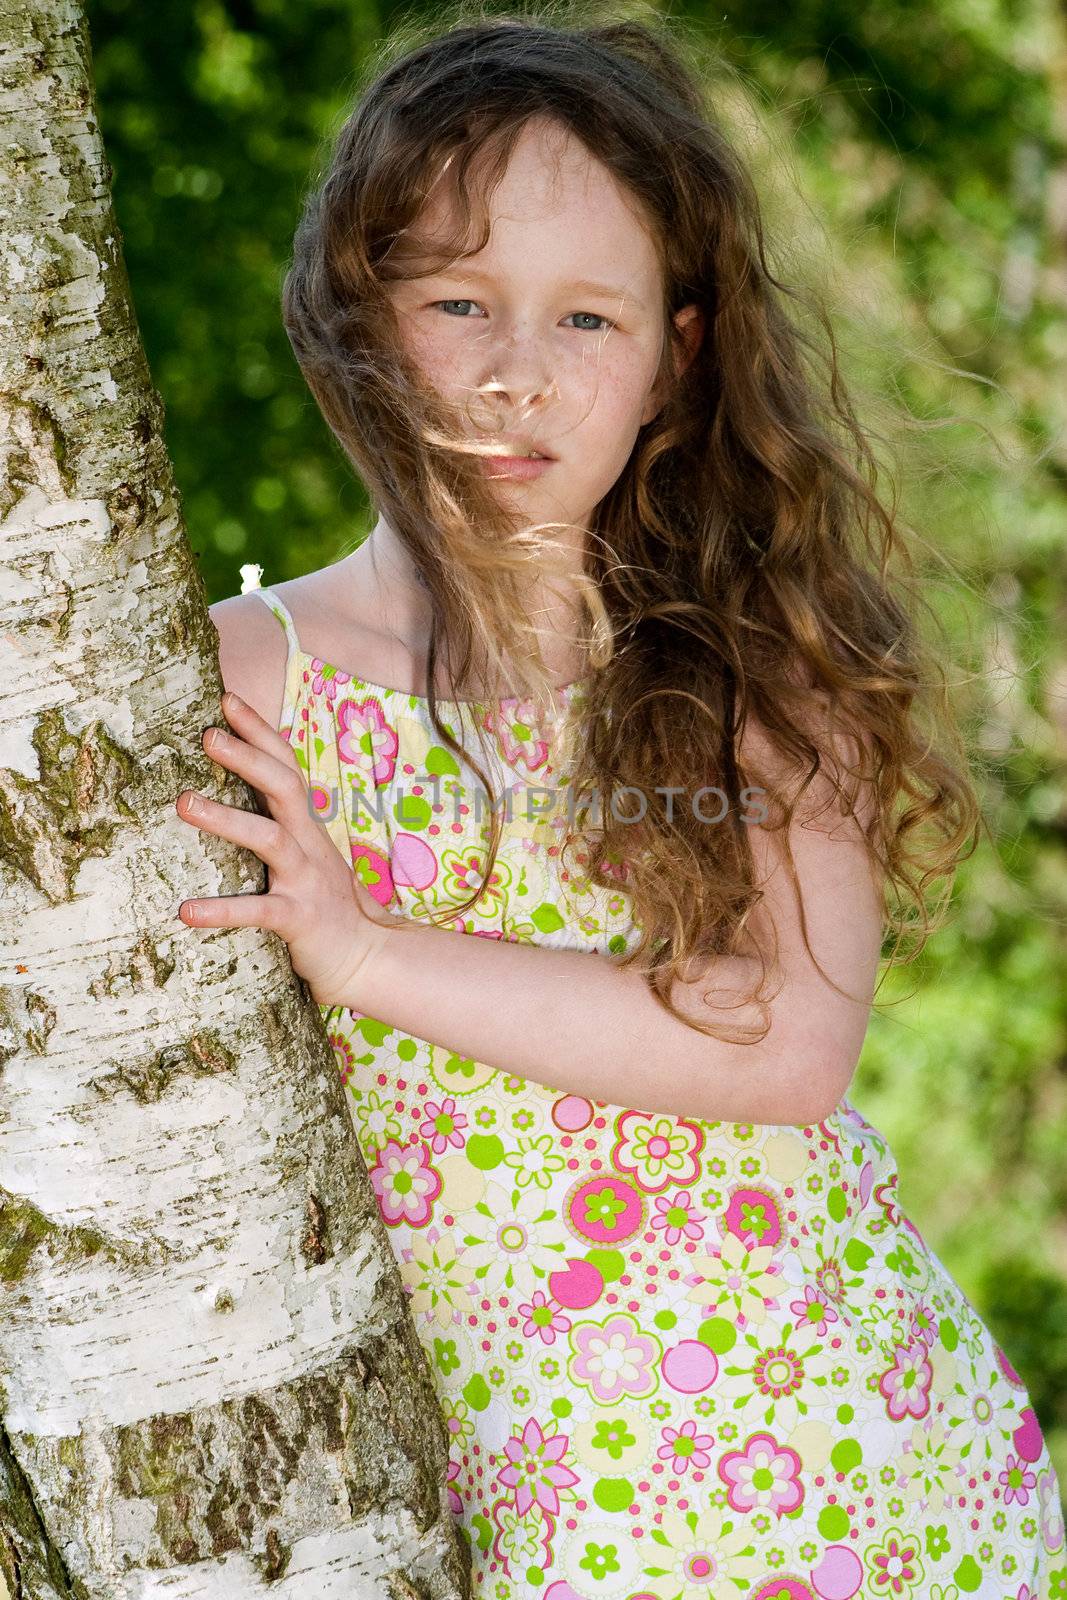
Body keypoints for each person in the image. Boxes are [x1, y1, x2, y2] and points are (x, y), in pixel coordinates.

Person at [174, 11, 1066, 1596]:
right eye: (459, 302)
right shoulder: (249, 678)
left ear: (677, 356)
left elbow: (791, 1043)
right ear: (351, 319)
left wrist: (366, 955)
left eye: (588, 320)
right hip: (536, 1491)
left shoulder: (755, 677)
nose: (519, 374)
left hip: (847, 1450)